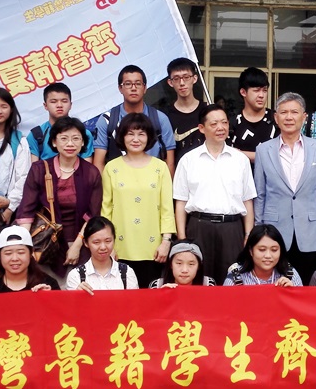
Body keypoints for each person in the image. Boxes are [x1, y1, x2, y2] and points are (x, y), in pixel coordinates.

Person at [254, 92, 316, 286]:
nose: (289, 117)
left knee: (306, 286)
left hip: (310, 232)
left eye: (294, 112)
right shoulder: (263, 150)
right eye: (284, 112)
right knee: (273, 286)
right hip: (274, 232)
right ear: (276, 117)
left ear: (304, 117)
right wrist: (258, 231)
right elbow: (260, 194)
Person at [174, 104, 257, 285]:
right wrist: (182, 238)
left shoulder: (240, 159)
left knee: (232, 279)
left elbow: (247, 200)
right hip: (198, 227)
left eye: (224, 122)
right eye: (214, 124)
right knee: (200, 280)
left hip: (231, 228)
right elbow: (180, 202)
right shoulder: (188, 160)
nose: (221, 128)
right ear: (201, 128)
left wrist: (248, 234)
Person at [17, 117, 102, 275]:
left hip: (80, 241)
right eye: (64, 138)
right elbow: (26, 211)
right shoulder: (39, 169)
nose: (70, 144)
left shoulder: (91, 173)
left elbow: (92, 214)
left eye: (76, 138)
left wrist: (76, 245)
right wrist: (25, 245)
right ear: (54, 142)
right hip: (44, 242)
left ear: (83, 142)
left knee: (79, 286)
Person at [100, 112, 176, 287]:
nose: (136, 139)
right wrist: (107, 245)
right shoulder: (111, 167)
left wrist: (166, 241)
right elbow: (106, 209)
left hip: (153, 248)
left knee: (151, 296)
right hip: (120, 247)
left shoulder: (160, 167)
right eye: (130, 134)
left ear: (149, 137)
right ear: (122, 136)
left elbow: (167, 207)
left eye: (141, 134)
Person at [92, 65, 176, 174]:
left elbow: (169, 163)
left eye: (138, 83)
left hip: (153, 182)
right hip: (118, 182)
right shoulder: (107, 120)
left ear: (145, 88)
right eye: (128, 84)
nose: (133, 88)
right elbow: (99, 163)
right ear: (120, 88)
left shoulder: (160, 119)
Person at [0, 88, 31, 225]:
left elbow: (24, 177)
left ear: (11, 110)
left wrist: (9, 207)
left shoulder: (19, 141)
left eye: (4, 106)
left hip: (8, 211)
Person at [0, 226, 59, 293]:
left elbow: (59, 309)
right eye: (8, 253)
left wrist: (49, 297)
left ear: (31, 253)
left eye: (21, 252)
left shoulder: (47, 283)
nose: (14, 258)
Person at [65, 217, 139, 291]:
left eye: (108, 241)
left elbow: (135, 298)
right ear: (86, 243)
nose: (103, 247)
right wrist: (77, 294)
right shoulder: (76, 276)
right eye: (96, 242)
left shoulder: (127, 273)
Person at [26, 83, 95, 162]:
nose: (59, 105)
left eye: (64, 101)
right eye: (53, 101)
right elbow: (34, 167)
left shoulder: (84, 133)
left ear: (70, 105)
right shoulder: (36, 135)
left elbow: (87, 166)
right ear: (45, 106)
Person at [228, 66, 277, 163]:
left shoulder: (276, 119)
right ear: (243, 92)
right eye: (256, 90)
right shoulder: (233, 123)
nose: (261, 95)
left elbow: (281, 156)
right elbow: (226, 154)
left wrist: (240, 154)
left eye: (264, 90)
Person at [224, 225, 301, 286]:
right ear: (251, 251)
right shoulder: (235, 277)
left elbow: (301, 301)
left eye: (274, 250)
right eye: (262, 249)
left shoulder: (290, 274)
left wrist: (292, 292)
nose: (268, 255)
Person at [163, 57, 208, 162]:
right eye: (176, 78)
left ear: (194, 78)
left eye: (186, 77)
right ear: (170, 82)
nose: (182, 83)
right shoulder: (165, 115)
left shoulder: (208, 111)